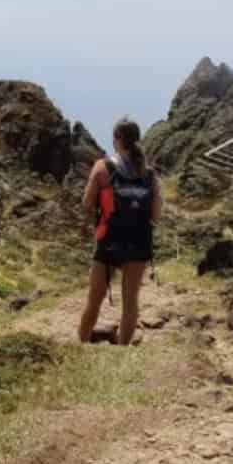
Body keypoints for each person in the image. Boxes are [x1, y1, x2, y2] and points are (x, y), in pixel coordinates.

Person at [79, 118, 161, 345]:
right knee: (131, 301)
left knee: (94, 300)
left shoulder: (102, 167)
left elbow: (86, 203)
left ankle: (82, 347)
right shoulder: (150, 174)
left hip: (108, 242)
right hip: (139, 244)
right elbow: (155, 216)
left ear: (116, 139)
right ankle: (123, 352)